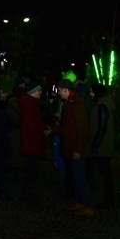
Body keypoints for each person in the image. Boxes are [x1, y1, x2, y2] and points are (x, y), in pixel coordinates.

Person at [47, 79, 94, 217]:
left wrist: (78, 149)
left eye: (60, 90)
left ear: (66, 90)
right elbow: (68, 127)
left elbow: (82, 129)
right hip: (71, 147)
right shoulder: (70, 103)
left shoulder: (77, 104)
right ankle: (81, 201)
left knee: (80, 177)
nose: (58, 93)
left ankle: (88, 205)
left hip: (76, 149)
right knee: (75, 177)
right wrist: (54, 131)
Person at [18, 80, 47, 205]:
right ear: (33, 92)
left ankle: (27, 194)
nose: (41, 92)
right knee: (32, 171)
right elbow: (29, 123)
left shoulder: (30, 103)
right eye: (39, 90)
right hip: (32, 143)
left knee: (31, 170)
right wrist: (41, 129)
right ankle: (27, 195)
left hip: (32, 142)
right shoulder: (30, 104)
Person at [87, 83, 116, 209]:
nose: (91, 94)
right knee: (105, 173)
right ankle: (108, 197)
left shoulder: (102, 106)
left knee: (105, 173)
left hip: (102, 147)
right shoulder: (103, 105)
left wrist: (94, 145)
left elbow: (102, 127)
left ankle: (109, 199)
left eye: (92, 91)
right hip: (102, 146)